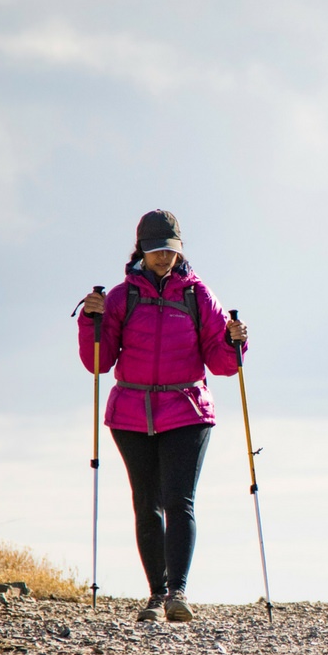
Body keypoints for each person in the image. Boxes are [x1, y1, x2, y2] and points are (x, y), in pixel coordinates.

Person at [77, 209, 247, 623]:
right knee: (146, 504)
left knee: (178, 500)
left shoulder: (198, 295)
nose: (163, 257)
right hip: (132, 415)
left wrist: (234, 341)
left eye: (170, 249)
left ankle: (178, 593)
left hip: (186, 410)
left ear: (180, 249)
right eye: (155, 249)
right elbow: (98, 363)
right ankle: (156, 595)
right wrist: (90, 320)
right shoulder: (120, 297)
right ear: (141, 249)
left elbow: (223, 365)